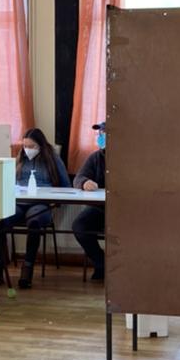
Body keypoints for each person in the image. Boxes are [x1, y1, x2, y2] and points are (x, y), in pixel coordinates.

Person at [0, 128, 69, 290]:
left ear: (40, 145)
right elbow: (10, 181)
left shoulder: (52, 158)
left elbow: (66, 184)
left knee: (34, 222)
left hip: (41, 203)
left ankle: (27, 269)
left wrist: (52, 196)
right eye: (25, 146)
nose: (27, 149)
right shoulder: (21, 158)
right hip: (20, 202)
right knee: (0, 221)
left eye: (31, 146)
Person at [73, 121, 106, 282]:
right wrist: (84, 182)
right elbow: (78, 178)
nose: (101, 136)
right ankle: (101, 262)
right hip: (100, 209)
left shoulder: (128, 158)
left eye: (104, 133)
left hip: (123, 210)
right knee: (79, 226)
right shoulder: (95, 157)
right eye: (100, 133)